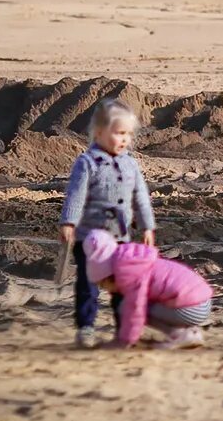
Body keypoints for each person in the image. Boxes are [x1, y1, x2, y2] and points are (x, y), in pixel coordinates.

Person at [59, 99, 156, 350]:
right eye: (119, 133)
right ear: (100, 132)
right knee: (87, 285)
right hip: (88, 239)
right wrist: (68, 222)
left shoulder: (130, 163)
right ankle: (86, 328)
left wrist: (147, 226)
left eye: (128, 135)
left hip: (119, 240)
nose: (124, 139)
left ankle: (123, 330)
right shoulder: (87, 163)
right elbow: (75, 195)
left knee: (121, 286)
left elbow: (141, 197)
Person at [83, 228, 213, 349]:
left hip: (192, 309)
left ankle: (180, 334)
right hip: (203, 302)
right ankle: (190, 331)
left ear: (109, 277)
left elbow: (135, 310)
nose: (106, 290)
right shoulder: (136, 262)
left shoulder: (131, 276)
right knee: (147, 305)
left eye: (102, 285)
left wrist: (125, 341)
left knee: (128, 307)